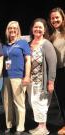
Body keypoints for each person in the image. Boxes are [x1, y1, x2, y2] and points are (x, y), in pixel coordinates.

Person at [27, 18, 57, 135]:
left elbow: (52, 65)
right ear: (32, 29)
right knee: (33, 103)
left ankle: (43, 128)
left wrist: (51, 82)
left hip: (42, 81)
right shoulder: (29, 44)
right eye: (36, 27)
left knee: (42, 103)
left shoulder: (47, 44)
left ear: (44, 30)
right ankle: (40, 126)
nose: (38, 29)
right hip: (31, 81)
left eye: (40, 27)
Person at [2, 21, 31, 135]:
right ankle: (10, 125)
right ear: (7, 30)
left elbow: (28, 60)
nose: (12, 30)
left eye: (15, 28)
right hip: (5, 77)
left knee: (19, 103)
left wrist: (27, 76)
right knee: (7, 103)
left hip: (18, 77)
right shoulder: (5, 45)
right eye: (10, 28)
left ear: (18, 30)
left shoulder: (23, 43)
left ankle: (20, 128)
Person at [48, 7, 65, 135]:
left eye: (57, 17)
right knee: (61, 99)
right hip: (58, 71)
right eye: (53, 18)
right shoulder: (53, 35)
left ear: (62, 18)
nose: (55, 20)